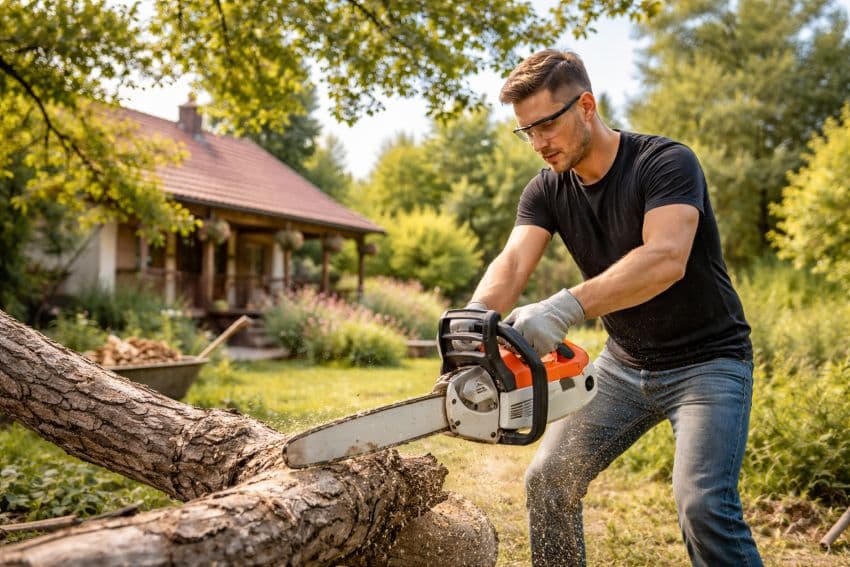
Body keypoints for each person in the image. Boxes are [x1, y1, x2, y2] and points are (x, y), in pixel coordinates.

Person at [460, 49, 762, 566]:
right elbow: (512, 263)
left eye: (546, 126)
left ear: (586, 106)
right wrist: (473, 319)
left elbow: (665, 258)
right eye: (525, 132)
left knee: (703, 503)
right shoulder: (547, 190)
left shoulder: (665, 163)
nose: (537, 144)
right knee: (549, 481)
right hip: (625, 367)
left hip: (709, 364)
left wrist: (565, 305)